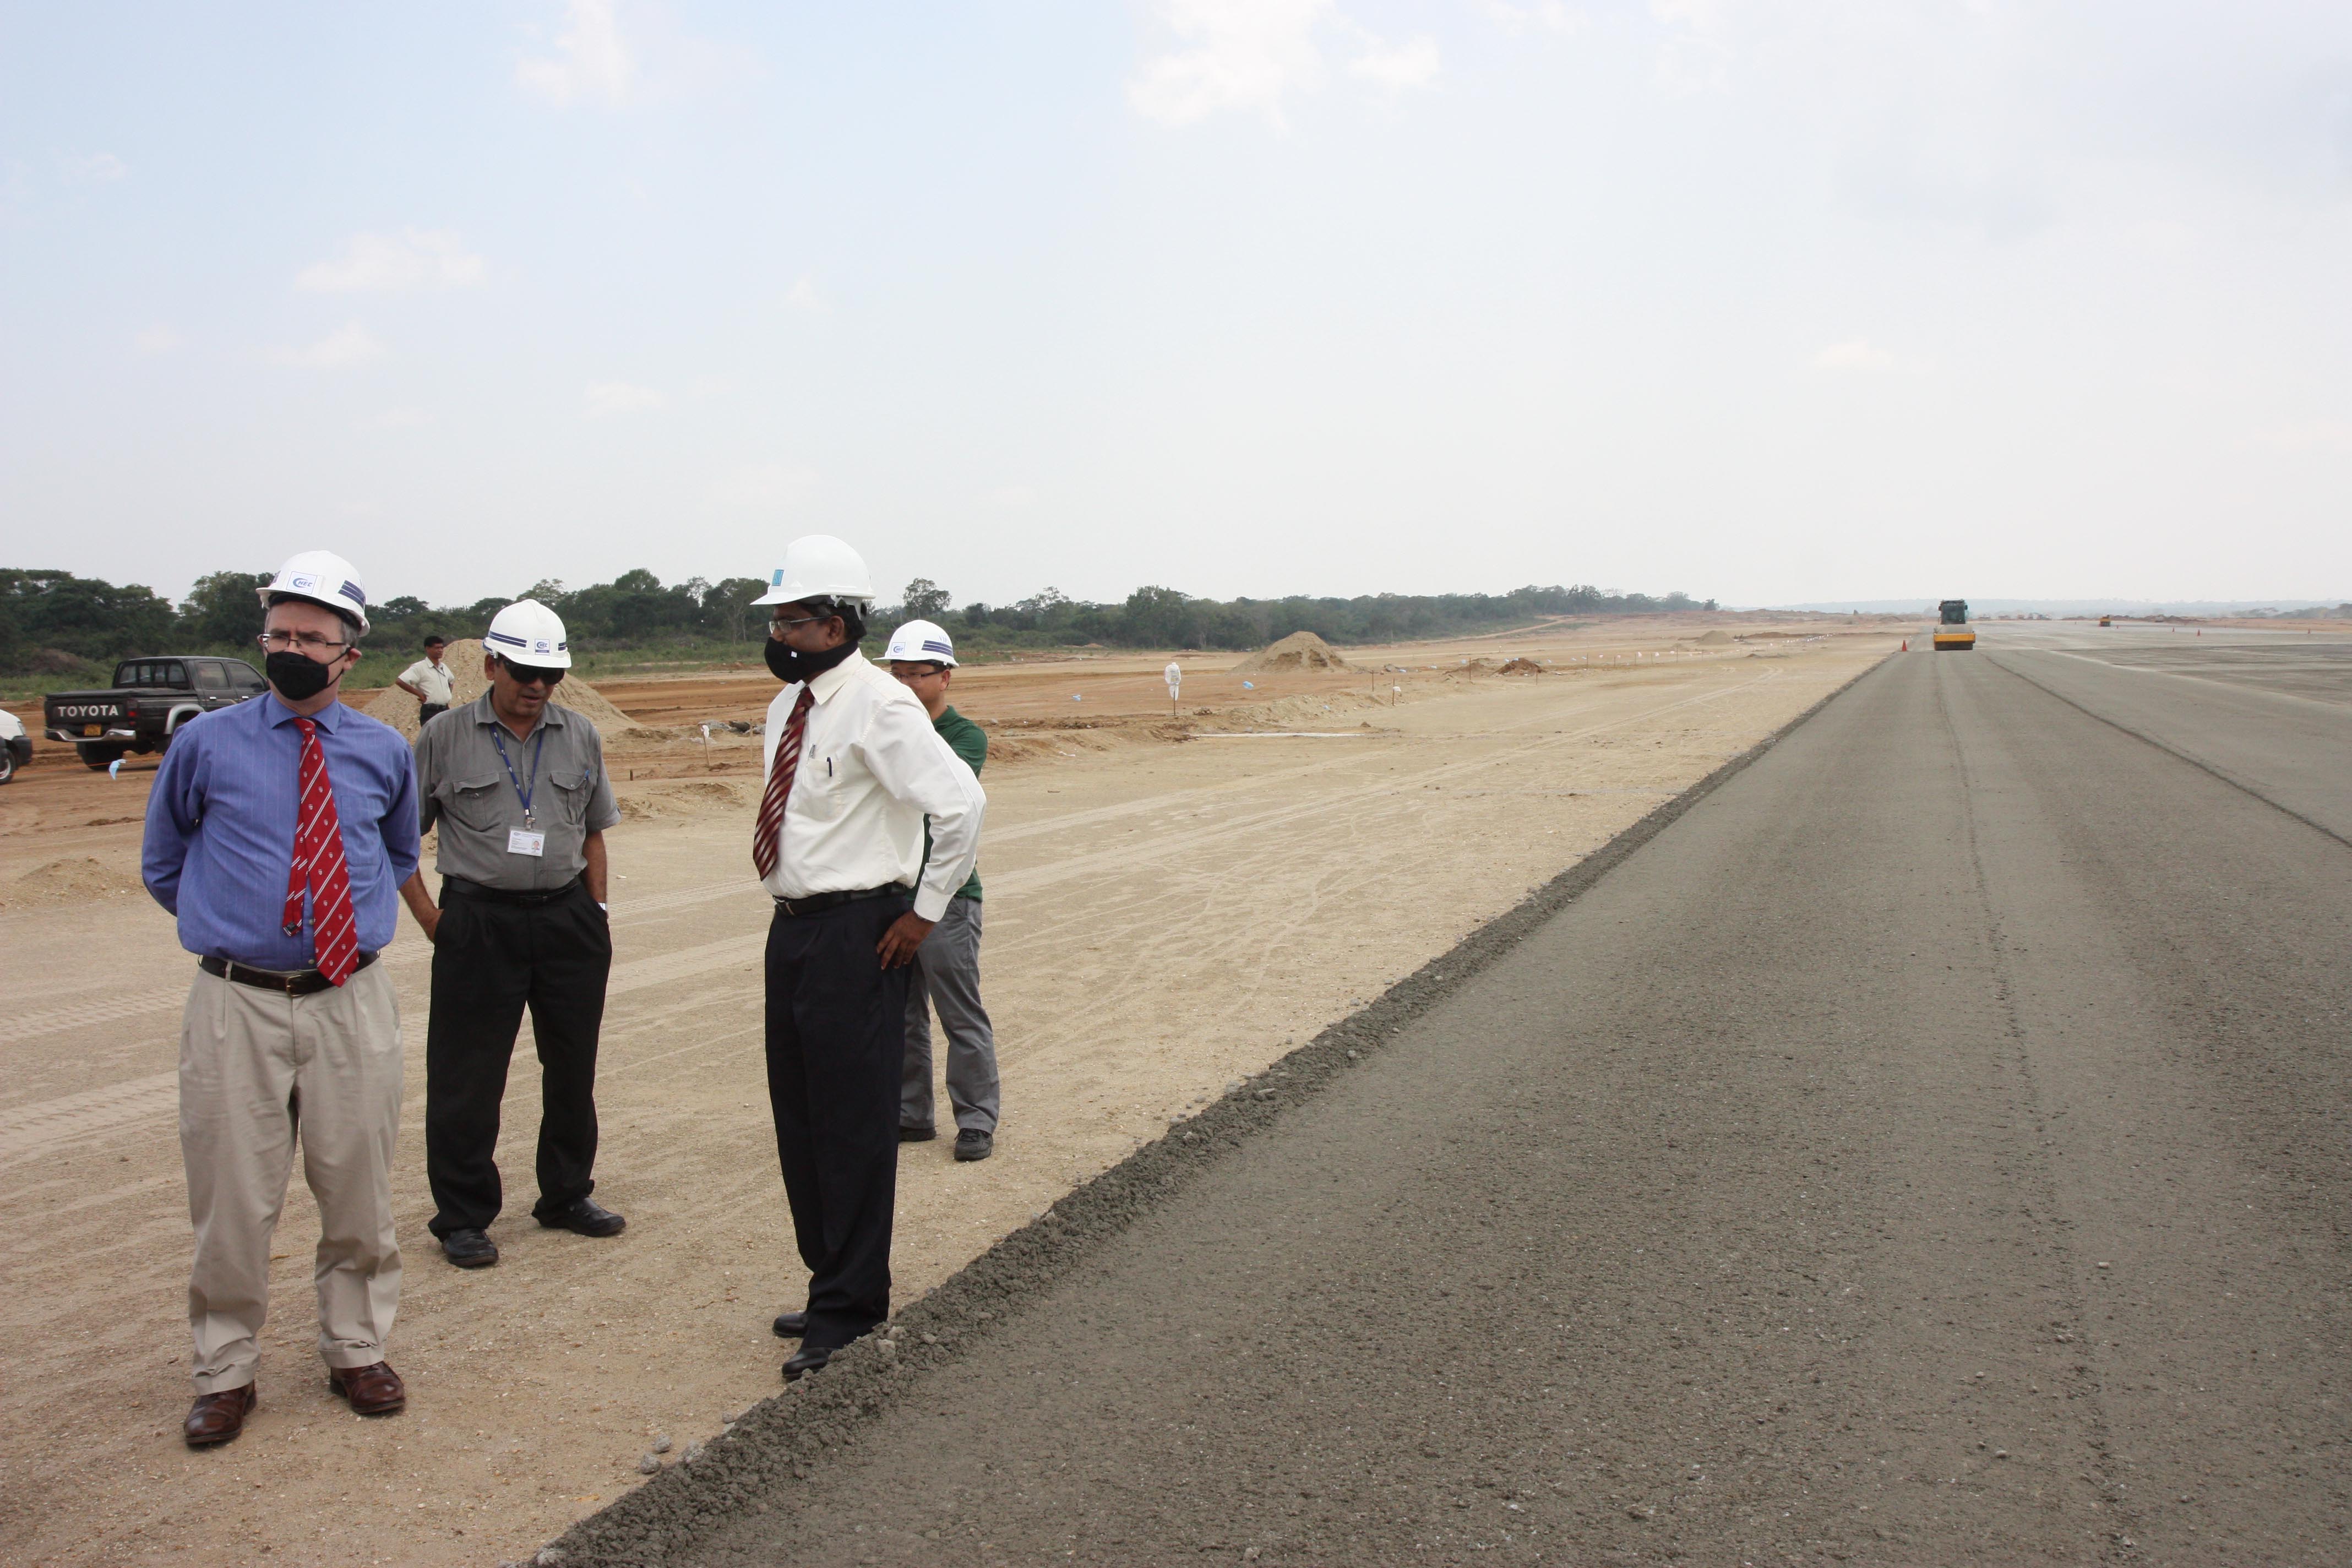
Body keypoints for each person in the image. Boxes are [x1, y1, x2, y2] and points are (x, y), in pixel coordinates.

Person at [140, 550, 420, 1447]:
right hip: (236, 1002)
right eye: (280, 633)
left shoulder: (382, 750)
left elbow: (401, 853)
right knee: (232, 1194)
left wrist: (344, 921)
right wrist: (235, 917)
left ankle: (354, 1348)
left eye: (313, 636)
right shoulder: (205, 744)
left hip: (349, 997)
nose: (292, 647)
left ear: (349, 656)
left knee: (358, 1187)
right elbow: (164, 860)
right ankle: (225, 1370)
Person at [751, 536, 984, 1381]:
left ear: (843, 622)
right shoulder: (790, 708)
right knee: (803, 1119)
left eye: (797, 620)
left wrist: (923, 916)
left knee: (852, 1124)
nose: (781, 633)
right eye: (776, 619)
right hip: (795, 927)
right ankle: (829, 1283)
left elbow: (961, 804)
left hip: (861, 930)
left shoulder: (882, 706)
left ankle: (852, 1310)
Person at [399, 600, 624, 1270]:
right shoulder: (442, 738)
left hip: (567, 921)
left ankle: (565, 1194)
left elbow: (593, 831)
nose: (537, 686)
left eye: (551, 675)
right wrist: (435, 922)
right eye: (524, 671)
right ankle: (464, 1217)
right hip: (477, 922)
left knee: (572, 1067)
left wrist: (597, 914)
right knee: (467, 1076)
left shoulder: (580, 733)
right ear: (491, 664)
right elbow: (395, 841)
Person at [883, 618, 999, 1162]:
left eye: (916, 675)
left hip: (950, 897)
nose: (905, 684)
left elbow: (940, 799)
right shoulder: (885, 731)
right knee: (902, 1014)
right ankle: (912, 1115)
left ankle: (976, 1120)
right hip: (893, 894)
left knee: (960, 1014)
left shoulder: (964, 737)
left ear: (945, 676)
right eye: (897, 674)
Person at [396, 635, 455, 726]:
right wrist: (420, 695)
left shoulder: (443, 667)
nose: (440, 650)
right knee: (433, 738)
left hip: (445, 710)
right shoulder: (420, 667)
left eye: (442, 648)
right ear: (428, 649)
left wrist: (448, 694)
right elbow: (401, 681)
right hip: (430, 711)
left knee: (448, 738)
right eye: (437, 648)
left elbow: (451, 680)